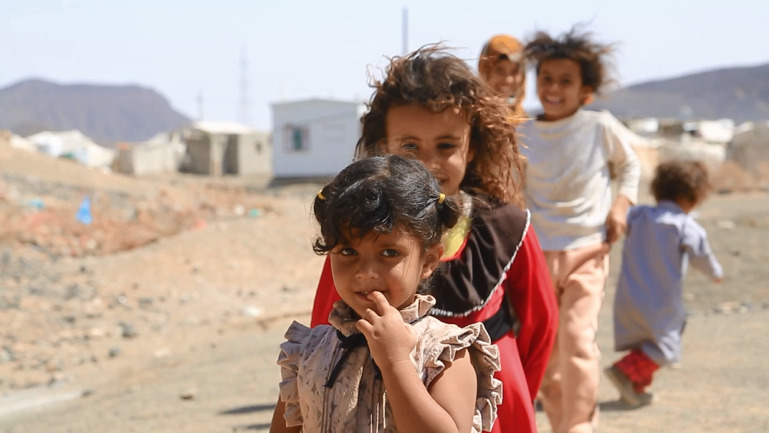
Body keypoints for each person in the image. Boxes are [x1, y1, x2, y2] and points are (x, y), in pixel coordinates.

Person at [310, 46, 558, 433]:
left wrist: (514, 392)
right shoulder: (358, 238)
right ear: (382, 147)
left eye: (446, 146)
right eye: (409, 146)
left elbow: (541, 326)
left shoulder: (508, 227)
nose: (428, 163)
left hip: (498, 407)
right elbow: (325, 327)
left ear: (472, 147)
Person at [270, 155, 503, 433]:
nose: (366, 272)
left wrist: (396, 362)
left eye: (389, 253)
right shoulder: (310, 352)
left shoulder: (444, 352)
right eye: (348, 251)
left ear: (428, 261)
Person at [519, 27, 642, 433]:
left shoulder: (599, 127)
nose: (554, 88)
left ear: (584, 89)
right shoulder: (523, 133)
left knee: (577, 339)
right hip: (536, 254)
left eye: (565, 81)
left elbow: (630, 165)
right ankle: (561, 423)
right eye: (546, 79)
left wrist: (621, 206)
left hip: (587, 249)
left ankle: (579, 426)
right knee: (548, 353)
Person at [605, 160, 723, 407]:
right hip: (661, 302)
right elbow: (702, 255)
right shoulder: (685, 225)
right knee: (665, 347)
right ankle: (623, 371)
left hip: (628, 297)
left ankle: (634, 391)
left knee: (642, 344)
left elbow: (614, 220)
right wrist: (715, 273)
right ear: (694, 197)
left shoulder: (638, 215)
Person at [478, 34, 527, 117]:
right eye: (499, 70)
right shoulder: (468, 119)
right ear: (484, 70)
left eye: (515, 71)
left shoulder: (530, 122)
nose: (508, 80)